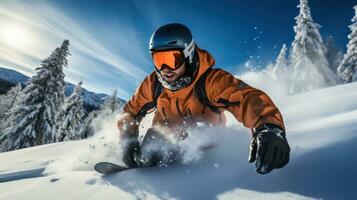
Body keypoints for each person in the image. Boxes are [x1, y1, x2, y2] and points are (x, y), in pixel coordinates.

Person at [117, 23, 290, 174]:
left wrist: (268, 126)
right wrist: (128, 139)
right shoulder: (154, 84)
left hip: (204, 147)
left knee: (179, 140)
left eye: (172, 59)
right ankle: (145, 160)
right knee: (154, 140)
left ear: (188, 54)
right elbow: (130, 112)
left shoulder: (210, 81)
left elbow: (247, 98)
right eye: (158, 59)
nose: (165, 69)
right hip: (163, 139)